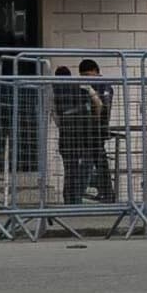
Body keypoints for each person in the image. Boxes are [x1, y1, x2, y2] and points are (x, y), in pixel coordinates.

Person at [78, 59, 116, 203]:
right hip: (92, 128)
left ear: (95, 71)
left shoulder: (101, 86)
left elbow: (103, 107)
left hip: (95, 128)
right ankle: (106, 193)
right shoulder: (97, 85)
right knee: (98, 161)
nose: (86, 78)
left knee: (92, 161)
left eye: (87, 74)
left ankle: (83, 193)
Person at [52, 66, 89, 205]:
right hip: (81, 136)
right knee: (81, 169)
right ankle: (76, 199)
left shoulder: (55, 93)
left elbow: (57, 120)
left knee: (70, 169)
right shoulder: (80, 91)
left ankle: (69, 200)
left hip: (66, 137)